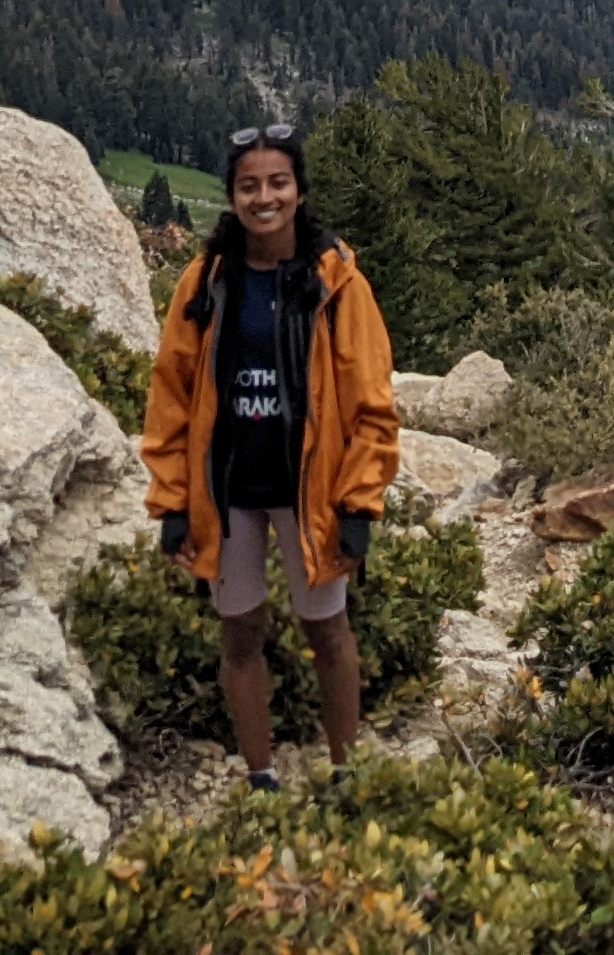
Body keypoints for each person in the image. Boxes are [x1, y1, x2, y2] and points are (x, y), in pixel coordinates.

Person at [137, 122, 401, 788]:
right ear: (231, 196)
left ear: (300, 191)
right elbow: (170, 398)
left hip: (309, 489)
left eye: (277, 182)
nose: (264, 197)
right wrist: (172, 504)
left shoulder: (337, 282)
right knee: (240, 635)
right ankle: (260, 776)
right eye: (249, 185)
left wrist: (360, 504)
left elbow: (372, 402)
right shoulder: (206, 283)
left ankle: (347, 772)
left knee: (329, 633)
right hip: (230, 490)